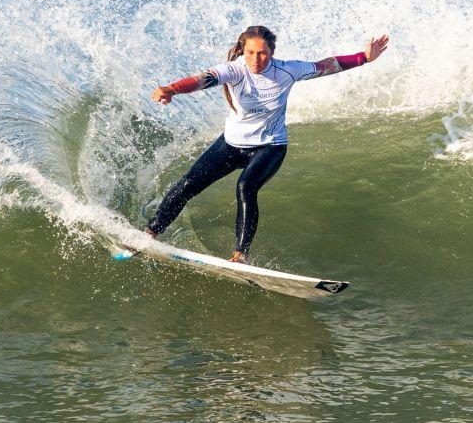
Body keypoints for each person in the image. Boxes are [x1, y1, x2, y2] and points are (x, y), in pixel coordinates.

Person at [147, 25, 389, 263]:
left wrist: (364, 58)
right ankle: (151, 234)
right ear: (243, 51)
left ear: (272, 52)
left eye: (262, 53)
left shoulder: (288, 70)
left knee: (246, 186)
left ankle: (240, 256)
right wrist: (172, 89)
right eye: (250, 52)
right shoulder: (234, 70)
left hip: (269, 147)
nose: (256, 59)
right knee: (187, 184)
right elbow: (203, 79)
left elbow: (326, 65)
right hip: (231, 144)